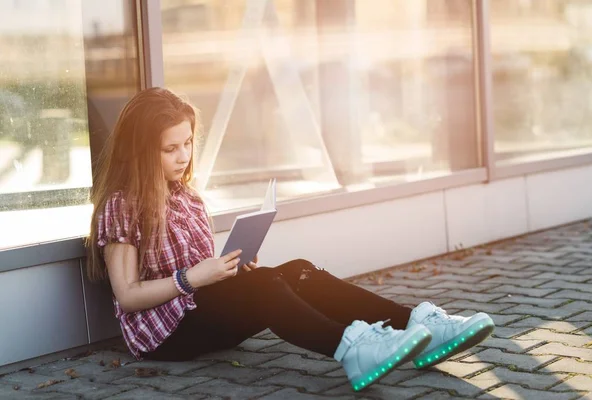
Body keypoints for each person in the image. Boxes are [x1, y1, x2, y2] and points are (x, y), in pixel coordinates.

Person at [86, 87, 495, 392]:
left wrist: (228, 270)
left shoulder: (187, 197)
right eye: (169, 148)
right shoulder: (123, 205)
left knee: (296, 270)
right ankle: (352, 349)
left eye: (188, 143)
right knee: (264, 289)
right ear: (141, 152)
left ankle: (418, 326)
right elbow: (128, 295)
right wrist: (193, 277)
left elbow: (202, 277)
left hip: (197, 310)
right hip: (164, 336)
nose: (183, 156)